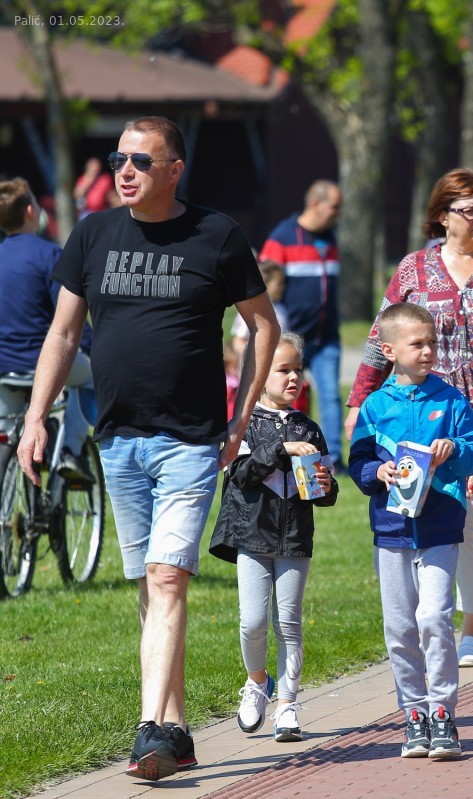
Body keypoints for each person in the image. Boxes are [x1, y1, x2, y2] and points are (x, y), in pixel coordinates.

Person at [17, 116, 279, 781]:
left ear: (174, 170)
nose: (124, 171)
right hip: (118, 437)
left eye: (140, 160)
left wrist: (242, 416)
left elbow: (262, 326)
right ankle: (179, 733)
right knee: (151, 585)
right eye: (118, 159)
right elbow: (63, 334)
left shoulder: (216, 234)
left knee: (167, 578)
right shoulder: (93, 234)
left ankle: (147, 728)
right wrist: (37, 416)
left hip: (190, 438)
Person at [346, 169, 473, 668]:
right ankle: (426, 618)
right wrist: (359, 401)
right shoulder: (413, 270)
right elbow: (380, 338)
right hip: (414, 418)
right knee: (415, 514)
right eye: (468, 209)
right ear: (442, 215)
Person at [348, 302, 473, 760]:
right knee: (400, 628)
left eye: (432, 343)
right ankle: (414, 716)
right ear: (389, 351)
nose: (428, 351)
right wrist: (377, 473)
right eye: (417, 344)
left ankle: (443, 713)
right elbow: (358, 461)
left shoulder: (450, 400)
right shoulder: (375, 406)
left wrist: (455, 449)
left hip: (440, 525)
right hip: (391, 531)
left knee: (434, 618)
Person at [210, 332, 337, 743]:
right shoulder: (244, 423)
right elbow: (239, 475)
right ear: (261, 373)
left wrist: (326, 486)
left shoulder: (309, 428)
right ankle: (256, 680)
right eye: (284, 370)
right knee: (253, 622)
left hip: (295, 537)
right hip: (252, 536)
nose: (294, 377)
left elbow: (323, 492)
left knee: (289, 622)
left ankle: (287, 704)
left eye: (298, 369)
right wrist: (282, 449)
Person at [0, 177, 92, 477]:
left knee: (4, 435)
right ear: (31, 210)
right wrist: (92, 345)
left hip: (4, 366)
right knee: (90, 379)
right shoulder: (48, 254)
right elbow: (69, 317)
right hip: (41, 362)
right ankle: (70, 452)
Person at [260, 180, 344, 470]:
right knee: (283, 395)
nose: (339, 213)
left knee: (330, 396)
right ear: (316, 205)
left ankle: (332, 459)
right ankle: (279, 451)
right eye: (335, 207)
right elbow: (263, 283)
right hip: (290, 340)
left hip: (326, 336)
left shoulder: (331, 239)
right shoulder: (282, 237)